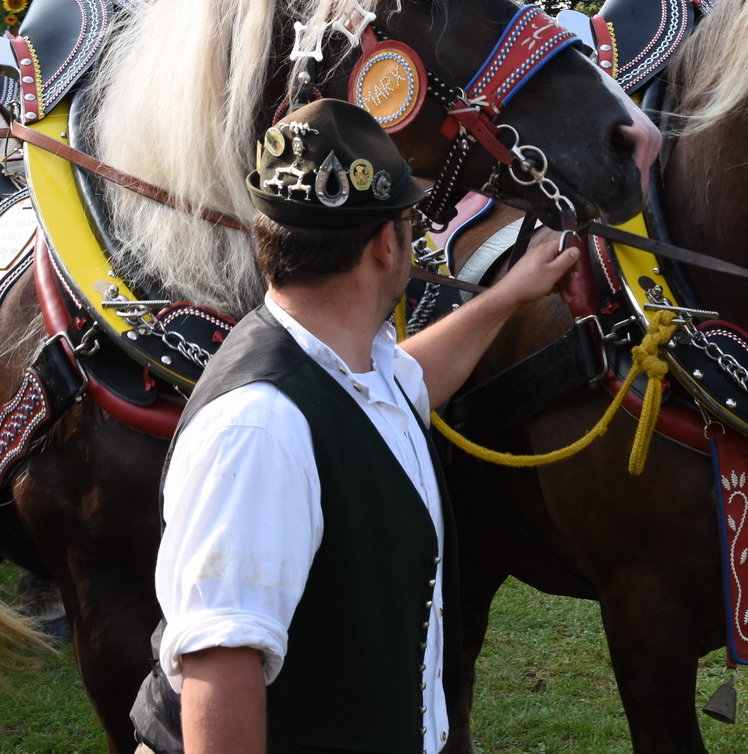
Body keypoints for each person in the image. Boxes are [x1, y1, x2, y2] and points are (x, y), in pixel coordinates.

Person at [130, 98, 582, 754]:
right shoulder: (259, 428)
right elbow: (220, 678)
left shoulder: (344, 363)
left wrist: (507, 296)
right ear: (385, 244)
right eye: (411, 221)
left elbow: (405, 384)